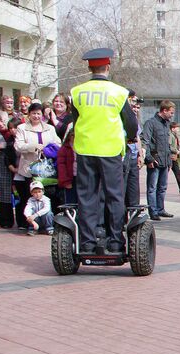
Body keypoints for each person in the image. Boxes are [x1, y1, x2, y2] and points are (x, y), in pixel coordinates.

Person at [70, 48, 138, 253]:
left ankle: (87, 243)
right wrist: (128, 137)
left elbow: (75, 120)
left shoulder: (77, 92)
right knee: (114, 195)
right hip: (110, 151)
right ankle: (116, 241)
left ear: (90, 68)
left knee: (87, 196)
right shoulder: (118, 92)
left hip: (85, 149)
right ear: (108, 66)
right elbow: (132, 124)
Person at [14, 102, 61, 230]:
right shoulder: (22, 128)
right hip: (29, 168)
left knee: (49, 196)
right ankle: (29, 224)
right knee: (30, 197)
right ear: (29, 114)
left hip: (47, 169)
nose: (36, 116)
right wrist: (33, 147)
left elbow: (58, 143)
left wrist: (49, 149)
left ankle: (49, 223)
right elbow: (18, 146)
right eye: (33, 113)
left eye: (38, 113)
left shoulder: (49, 128)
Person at [142, 100, 176, 220]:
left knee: (162, 187)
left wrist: (170, 160)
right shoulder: (150, 123)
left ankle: (161, 209)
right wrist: (149, 159)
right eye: (171, 113)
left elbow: (167, 144)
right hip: (154, 161)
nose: (172, 115)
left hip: (165, 161)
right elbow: (145, 142)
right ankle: (153, 211)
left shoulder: (166, 124)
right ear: (164, 110)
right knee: (152, 187)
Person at [57, 129, 77, 205]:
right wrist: (65, 182)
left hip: (82, 178)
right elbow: (61, 166)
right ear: (68, 136)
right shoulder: (64, 149)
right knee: (70, 203)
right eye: (72, 135)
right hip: (70, 179)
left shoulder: (84, 146)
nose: (74, 137)